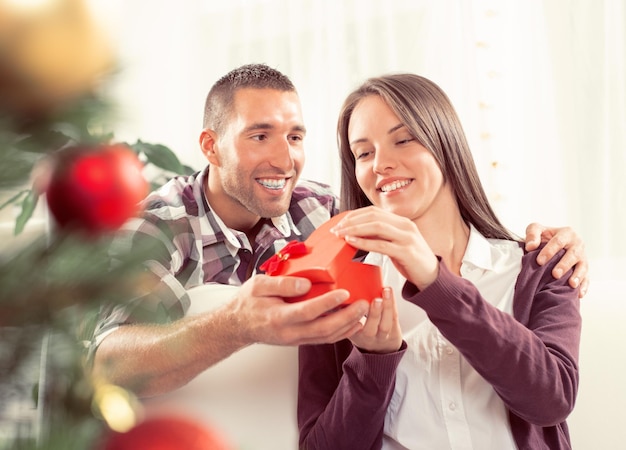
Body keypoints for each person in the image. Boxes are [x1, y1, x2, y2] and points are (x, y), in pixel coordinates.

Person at [90, 64, 586, 401]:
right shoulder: (156, 226)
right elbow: (104, 364)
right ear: (212, 147)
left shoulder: (325, 211)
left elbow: (436, 208)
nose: (285, 160)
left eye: (296, 136)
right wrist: (238, 323)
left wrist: (550, 245)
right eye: (259, 135)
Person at [297, 73, 582, 450]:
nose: (381, 164)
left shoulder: (540, 266)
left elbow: (552, 400)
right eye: (364, 153)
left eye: (403, 139)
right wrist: (372, 361)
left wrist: (435, 282)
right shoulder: (335, 293)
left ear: (445, 143)